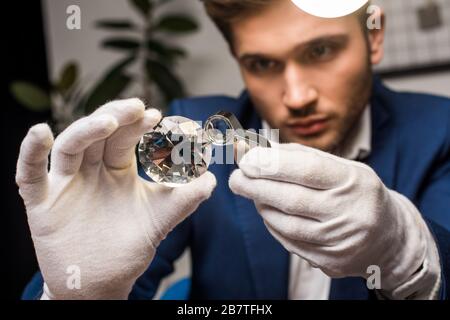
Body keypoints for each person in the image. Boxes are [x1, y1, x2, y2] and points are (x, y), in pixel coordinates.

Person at [20, 0, 449, 300]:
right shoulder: (188, 136)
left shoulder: (438, 131)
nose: (297, 96)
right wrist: (76, 294)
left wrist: (403, 249)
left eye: (321, 50)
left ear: (374, 36)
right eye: (262, 64)